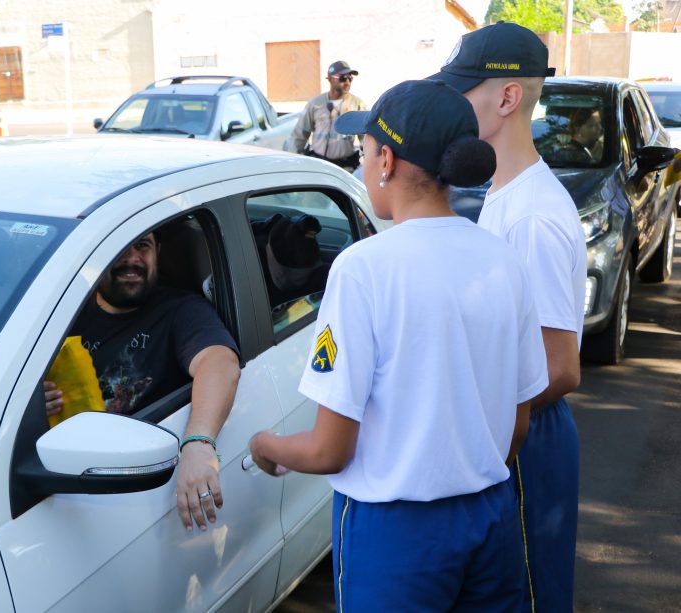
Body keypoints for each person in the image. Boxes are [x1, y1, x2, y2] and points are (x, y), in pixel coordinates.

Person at [250, 79, 549, 611]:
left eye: (363, 153)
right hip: (492, 517)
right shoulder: (502, 259)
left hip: (396, 537)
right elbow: (517, 424)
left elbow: (329, 450)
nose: (363, 166)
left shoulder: (364, 267)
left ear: (386, 160)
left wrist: (266, 445)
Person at [430, 21, 587, 612]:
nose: (455, 104)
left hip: (526, 433)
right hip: (511, 426)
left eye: (465, 90)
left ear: (507, 97)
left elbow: (560, 367)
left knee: (531, 596)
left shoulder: (533, 217)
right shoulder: (504, 191)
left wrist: (472, 416)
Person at [43, 230, 241, 532]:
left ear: (157, 252)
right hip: (63, 476)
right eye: (120, 247)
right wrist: (35, 404)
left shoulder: (181, 310)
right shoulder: (63, 312)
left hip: (127, 485)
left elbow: (220, 363)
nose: (132, 258)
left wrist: (199, 444)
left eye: (143, 246)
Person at [287, 61, 367, 171]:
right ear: (330, 79)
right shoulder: (315, 104)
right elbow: (299, 135)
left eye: (350, 78)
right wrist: (295, 164)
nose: (347, 82)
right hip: (319, 169)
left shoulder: (357, 104)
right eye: (343, 78)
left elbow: (367, 138)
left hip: (347, 169)